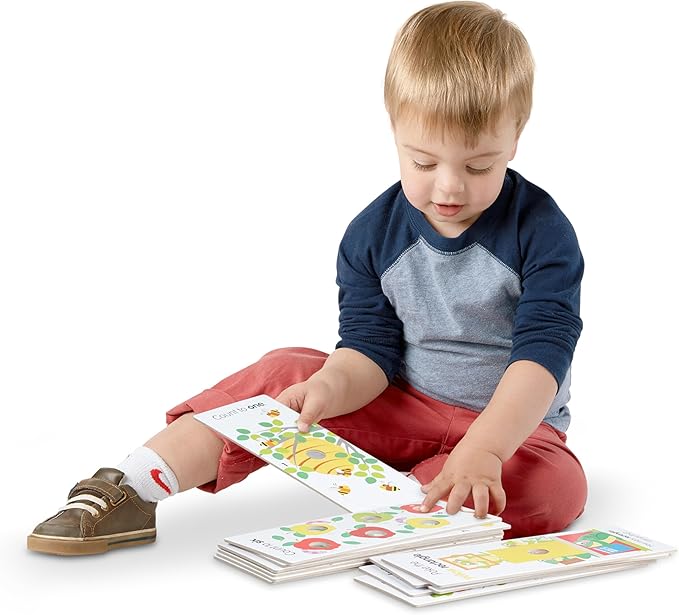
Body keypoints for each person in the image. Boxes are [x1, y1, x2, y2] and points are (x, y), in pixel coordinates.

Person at [27, 1, 587, 556]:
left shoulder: (542, 232)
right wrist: (331, 386)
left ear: (515, 139)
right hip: (402, 407)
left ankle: (421, 498)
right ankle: (132, 486)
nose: (449, 187)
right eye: (423, 162)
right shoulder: (372, 234)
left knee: (553, 487)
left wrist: (485, 448)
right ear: (395, 130)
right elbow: (369, 349)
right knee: (287, 368)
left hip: (515, 431)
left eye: (479, 166)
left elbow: (543, 353)